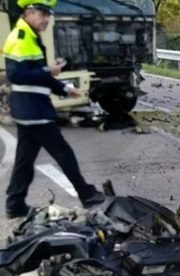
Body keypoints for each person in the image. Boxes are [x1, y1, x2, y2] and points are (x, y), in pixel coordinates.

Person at [4, 0, 106, 219]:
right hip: (33, 110)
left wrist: (66, 88)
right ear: (29, 12)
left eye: (48, 15)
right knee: (63, 152)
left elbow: (39, 75)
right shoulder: (20, 38)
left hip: (30, 109)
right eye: (42, 14)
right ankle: (86, 193)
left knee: (24, 161)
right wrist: (49, 71)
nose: (47, 19)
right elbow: (16, 75)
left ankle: (15, 204)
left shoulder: (29, 36)